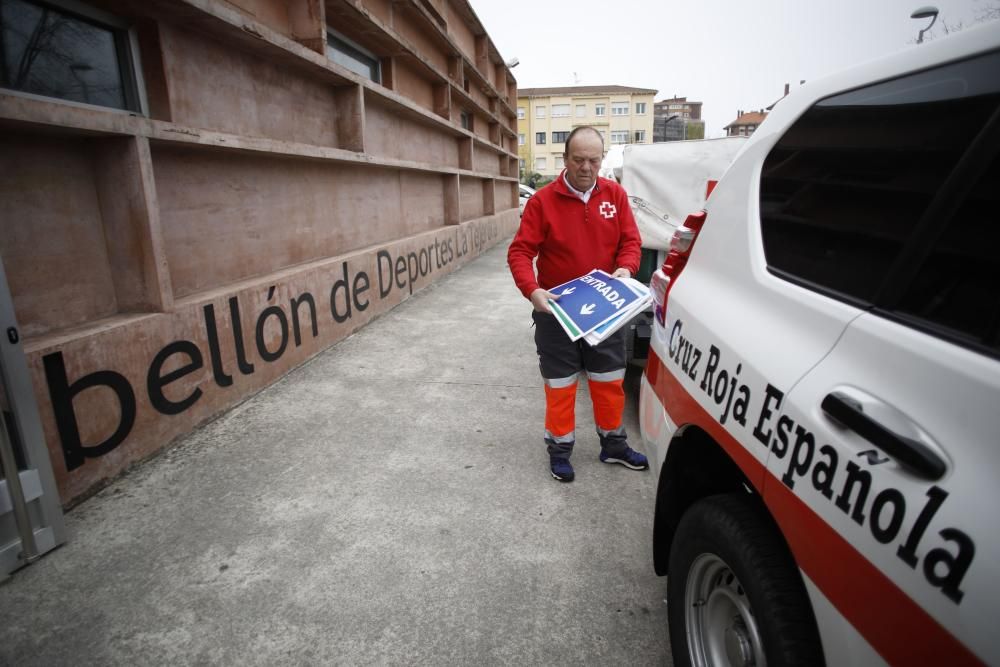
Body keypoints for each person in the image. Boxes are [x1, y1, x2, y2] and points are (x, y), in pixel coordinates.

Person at [507, 126, 649, 482]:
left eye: (594, 160)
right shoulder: (542, 201)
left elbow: (631, 242)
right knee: (560, 384)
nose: (586, 167)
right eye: (578, 159)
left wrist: (625, 268)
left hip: (607, 308)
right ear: (565, 158)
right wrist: (532, 290)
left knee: (609, 380)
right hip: (557, 311)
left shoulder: (614, 195)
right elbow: (521, 251)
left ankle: (613, 444)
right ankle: (559, 450)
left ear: (602, 159)